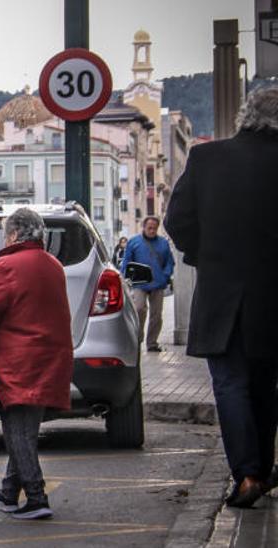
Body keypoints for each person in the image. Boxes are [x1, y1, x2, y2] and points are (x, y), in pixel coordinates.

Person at [165, 88, 278, 508]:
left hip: (222, 293)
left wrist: (203, 256)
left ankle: (247, 473)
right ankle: (263, 470)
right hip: (273, 295)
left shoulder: (206, 159)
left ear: (245, 116)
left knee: (230, 383)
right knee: (265, 384)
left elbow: (177, 220)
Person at [0, 208, 73, 520]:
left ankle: (37, 497)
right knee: (25, 426)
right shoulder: (53, 265)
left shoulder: (8, 264)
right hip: (50, 357)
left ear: (13, 234)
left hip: (18, 360)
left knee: (18, 430)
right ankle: (9, 492)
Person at [121, 217, 175, 351]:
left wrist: (165, 275)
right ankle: (138, 339)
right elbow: (127, 262)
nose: (152, 230)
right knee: (139, 309)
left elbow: (169, 262)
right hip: (140, 283)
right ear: (143, 227)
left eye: (154, 228)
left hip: (158, 283)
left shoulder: (163, 243)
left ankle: (152, 343)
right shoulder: (134, 242)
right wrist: (126, 277)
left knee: (156, 315)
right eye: (149, 228)